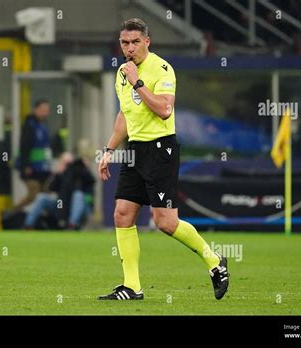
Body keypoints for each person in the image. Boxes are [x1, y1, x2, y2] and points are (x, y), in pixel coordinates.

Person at [97, 18, 229, 301]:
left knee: (165, 222)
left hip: (160, 150)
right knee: (122, 213)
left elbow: (164, 110)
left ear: (147, 41)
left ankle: (215, 262)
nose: (129, 48)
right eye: (124, 43)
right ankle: (132, 286)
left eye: (134, 42)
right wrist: (108, 149)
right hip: (135, 149)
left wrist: (138, 82)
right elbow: (125, 115)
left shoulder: (161, 68)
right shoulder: (121, 71)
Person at [24, 152, 94, 230]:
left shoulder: (79, 173)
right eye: (65, 163)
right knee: (42, 197)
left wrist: (84, 168)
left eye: (69, 163)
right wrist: (58, 173)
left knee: (78, 195)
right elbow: (51, 188)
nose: (68, 166)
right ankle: (28, 225)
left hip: (78, 207)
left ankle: (72, 225)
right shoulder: (60, 175)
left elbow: (91, 181)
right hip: (60, 206)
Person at [13, 100, 52, 211]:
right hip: (31, 169)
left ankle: (41, 222)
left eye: (47, 110)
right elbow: (24, 147)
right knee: (33, 195)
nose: (46, 113)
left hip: (43, 169)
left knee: (44, 195)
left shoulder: (43, 125)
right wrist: (26, 165)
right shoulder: (29, 125)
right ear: (36, 110)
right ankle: (11, 213)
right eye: (43, 110)